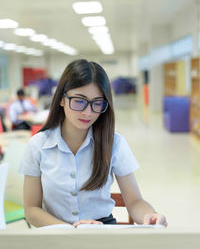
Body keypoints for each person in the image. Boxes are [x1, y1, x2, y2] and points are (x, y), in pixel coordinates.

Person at [19, 59, 167, 228]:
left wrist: (151, 216)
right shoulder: (37, 146)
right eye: (79, 101)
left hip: (101, 232)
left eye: (97, 103)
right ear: (61, 99)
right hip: (56, 232)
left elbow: (134, 202)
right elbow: (31, 209)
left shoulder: (114, 143)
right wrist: (71, 230)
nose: (87, 112)